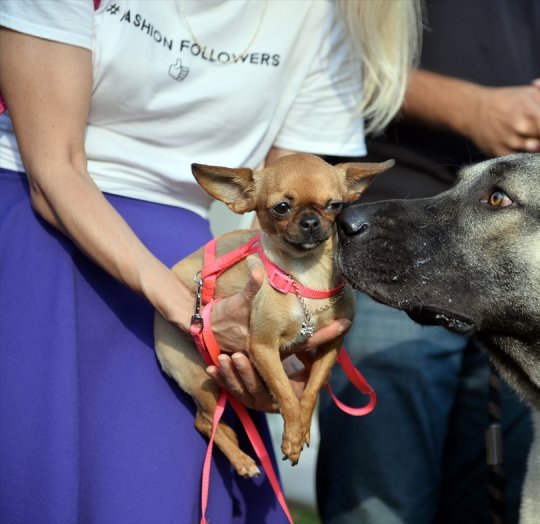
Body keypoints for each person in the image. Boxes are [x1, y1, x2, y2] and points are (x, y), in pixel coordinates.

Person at [0, 1, 419, 522]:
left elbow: (291, 199)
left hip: (204, 257)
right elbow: (53, 171)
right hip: (50, 239)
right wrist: (193, 311)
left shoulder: (323, 12)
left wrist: (279, 363)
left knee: (154, 493)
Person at [316, 1, 540, 523]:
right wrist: (470, 109)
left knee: (497, 503)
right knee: (378, 507)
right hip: (392, 242)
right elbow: (327, 55)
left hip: (517, 272)